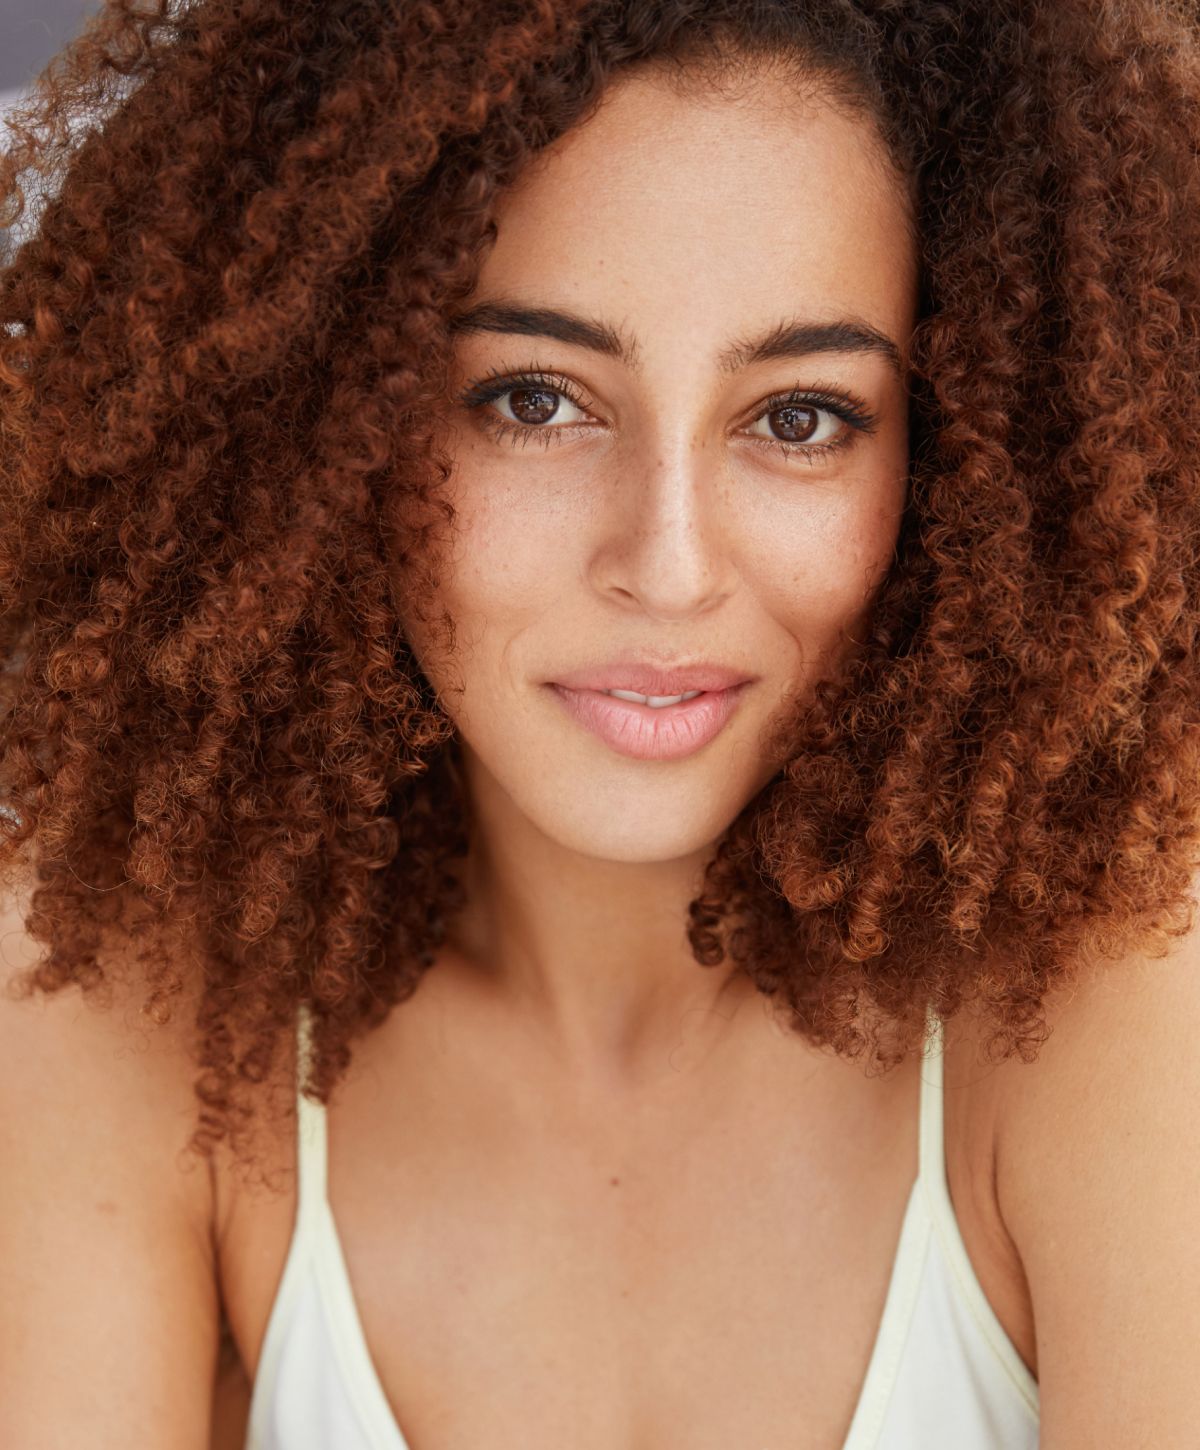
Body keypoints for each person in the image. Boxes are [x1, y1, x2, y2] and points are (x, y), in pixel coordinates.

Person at [2, 0, 1199, 1446]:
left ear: (960, 455)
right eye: (535, 400)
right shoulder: (126, 999)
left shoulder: (1121, 1000)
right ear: (316, 409)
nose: (669, 565)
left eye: (801, 418)